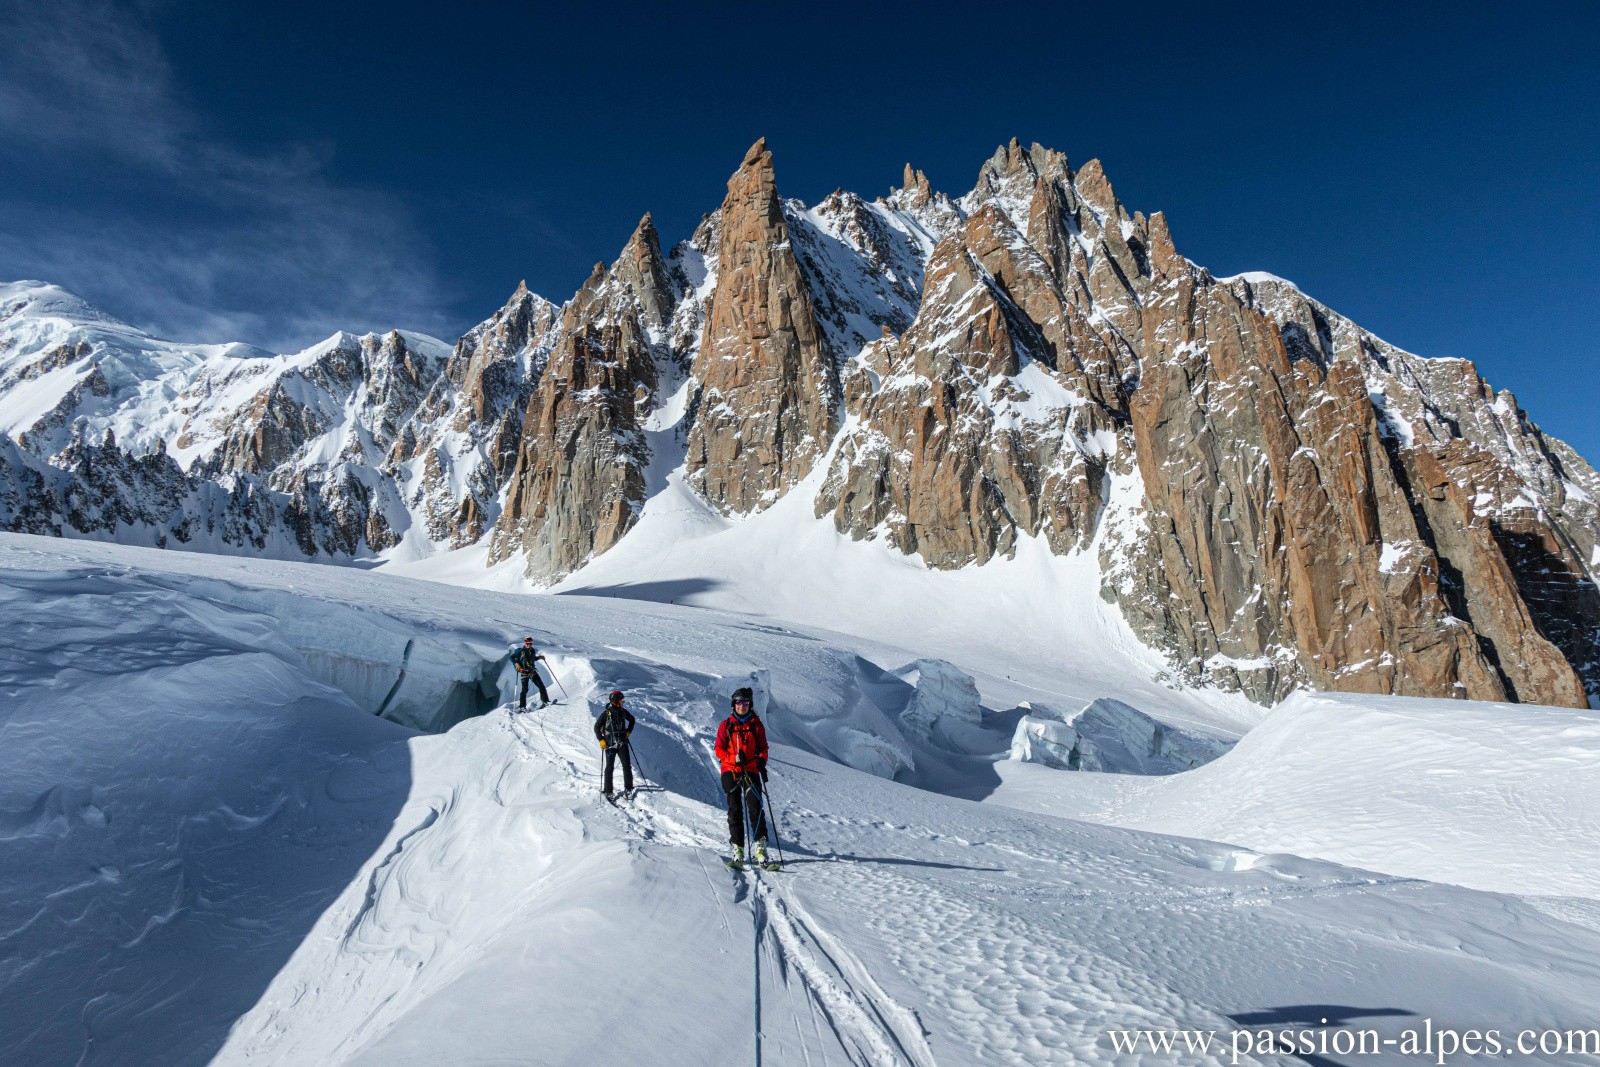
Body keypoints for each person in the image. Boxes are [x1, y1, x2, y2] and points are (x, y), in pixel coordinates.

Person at [714, 687, 769, 866]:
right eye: (739, 702)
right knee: (735, 809)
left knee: (755, 807)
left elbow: (763, 748)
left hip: (751, 770)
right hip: (730, 770)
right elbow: (718, 749)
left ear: (750, 704)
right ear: (733, 705)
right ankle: (737, 847)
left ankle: (760, 848)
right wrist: (733, 759)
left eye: (745, 703)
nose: (742, 706)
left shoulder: (756, 725)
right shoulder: (726, 726)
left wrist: (761, 760)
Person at [593, 689, 636, 797]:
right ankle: (608, 791)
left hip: (622, 743)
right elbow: (596, 727)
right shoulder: (606, 713)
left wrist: (628, 732)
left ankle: (629, 788)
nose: (623, 702)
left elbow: (632, 720)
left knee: (626, 766)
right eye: (621, 700)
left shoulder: (623, 712)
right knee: (609, 768)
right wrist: (601, 740)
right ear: (615, 701)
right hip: (609, 744)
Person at [510, 637, 549, 709]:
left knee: (541, 686)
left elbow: (532, 659)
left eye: (530, 643)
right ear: (524, 643)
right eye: (527, 643)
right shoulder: (520, 651)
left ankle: (545, 701)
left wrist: (539, 657)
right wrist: (516, 664)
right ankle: (522, 706)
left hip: (532, 671)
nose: (529, 645)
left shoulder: (532, 650)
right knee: (524, 690)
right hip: (524, 672)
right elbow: (511, 657)